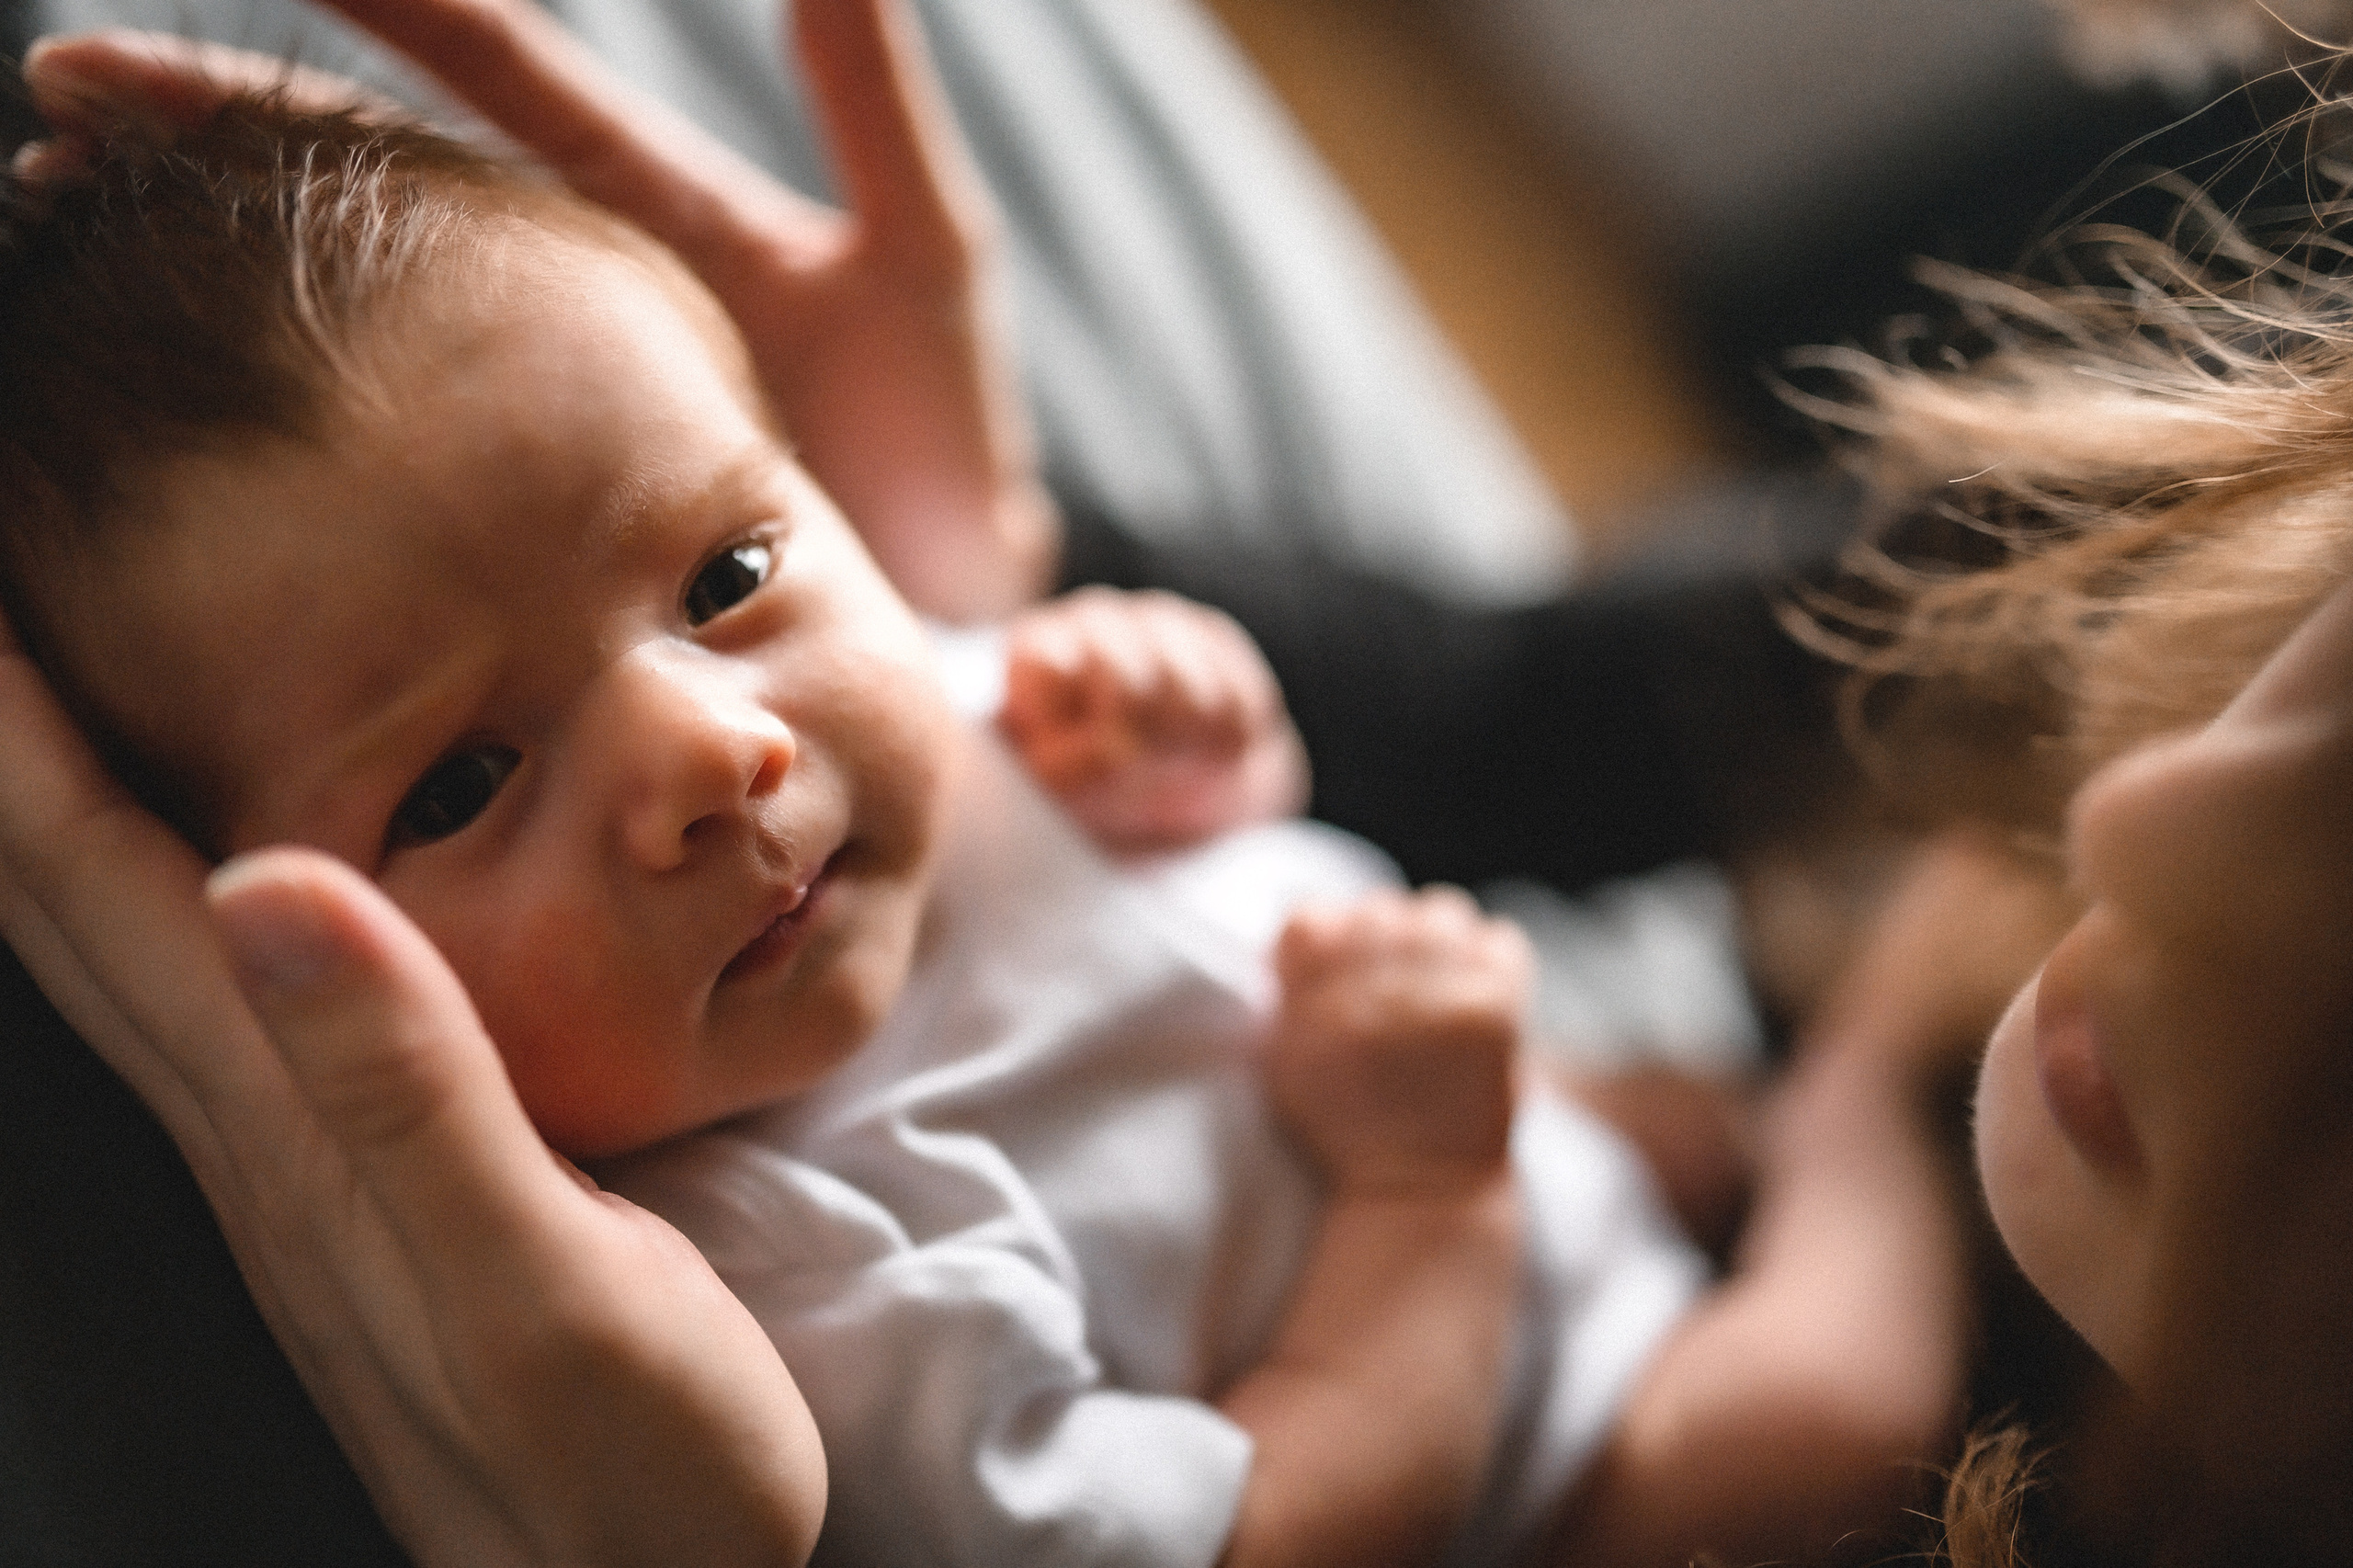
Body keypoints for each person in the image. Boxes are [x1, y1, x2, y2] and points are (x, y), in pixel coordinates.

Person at [0, 27, 1987, 1554]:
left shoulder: (920, 716)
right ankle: (1868, 1092)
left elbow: (1235, 811)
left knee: (1642, 1117)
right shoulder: (810, 1275)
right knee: (1820, 1426)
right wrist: (1423, 1189)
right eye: (460, 782)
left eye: (723, 575)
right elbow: (1289, 1525)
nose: (712, 749)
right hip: (1564, 1459)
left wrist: (1190, 713)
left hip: (1507, 1130)